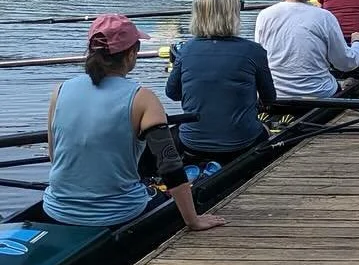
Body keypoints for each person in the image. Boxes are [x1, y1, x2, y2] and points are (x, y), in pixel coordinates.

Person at [42, 13, 224, 232]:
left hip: (56, 209)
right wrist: (193, 220)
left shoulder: (59, 92)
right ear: (131, 54)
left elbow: (54, 156)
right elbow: (170, 166)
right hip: (120, 213)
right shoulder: (143, 98)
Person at [164, 0, 276, 162]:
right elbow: (270, 98)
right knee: (265, 129)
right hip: (242, 143)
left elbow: (172, 94)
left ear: (198, 16)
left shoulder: (185, 50)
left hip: (192, 143)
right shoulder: (254, 51)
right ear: (234, 14)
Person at [255, 0, 359, 99]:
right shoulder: (325, 17)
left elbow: (260, 61)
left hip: (274, 94)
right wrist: (358, 44)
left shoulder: (264, 15)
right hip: (318, 95)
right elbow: (345, 64)